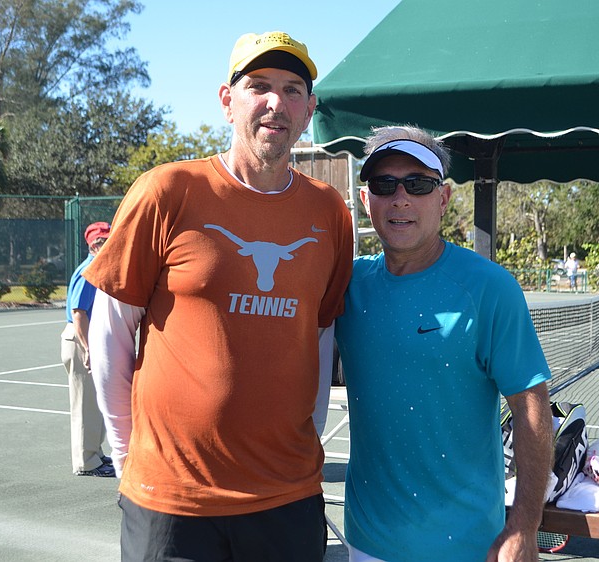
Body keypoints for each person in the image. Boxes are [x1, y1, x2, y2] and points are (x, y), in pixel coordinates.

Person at [83, 31, 353, 561]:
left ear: (309, 110)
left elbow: (320, 335)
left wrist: (306, 438)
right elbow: (111, 333)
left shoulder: (329, 213)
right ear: (228, 101)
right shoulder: (167, 191)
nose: (277, 102)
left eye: (293, 89)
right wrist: (127, 457)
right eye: (259, 86)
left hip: (287, 496)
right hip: (171, 502)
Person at [335, 125, 553, 562]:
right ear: (366, 201)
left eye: (417, 184)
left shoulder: (490, 288)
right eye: (384, 184)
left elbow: (532, 412)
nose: (400, 199)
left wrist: (525, 525)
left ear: (443, 197)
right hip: (365, 545)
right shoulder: (345, 285)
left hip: (468, 547)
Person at [60, 221, 114, 477]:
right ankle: (86, 462)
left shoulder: (99, 266)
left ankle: (95, 453)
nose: (105, 244)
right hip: (80, 339)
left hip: (89, 339)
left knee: (96, 401)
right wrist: (88, 348)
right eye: (101, 240)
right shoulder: (89, 269)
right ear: (92, 244)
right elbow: (78, 312)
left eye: (108, 238)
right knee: (85, 404)